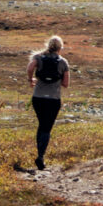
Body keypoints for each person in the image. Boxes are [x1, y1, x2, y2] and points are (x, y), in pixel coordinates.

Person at [27, 35, 70, 170]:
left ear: (48, 45)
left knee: (41, 125)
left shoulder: (38, 58)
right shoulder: (63, 62)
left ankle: (40, 154)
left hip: (38, 98)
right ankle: (40, 156)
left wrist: (31, 79)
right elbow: (66, 84)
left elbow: (30, 67)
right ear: (60, 48)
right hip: (53, 99)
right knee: (46, 127)